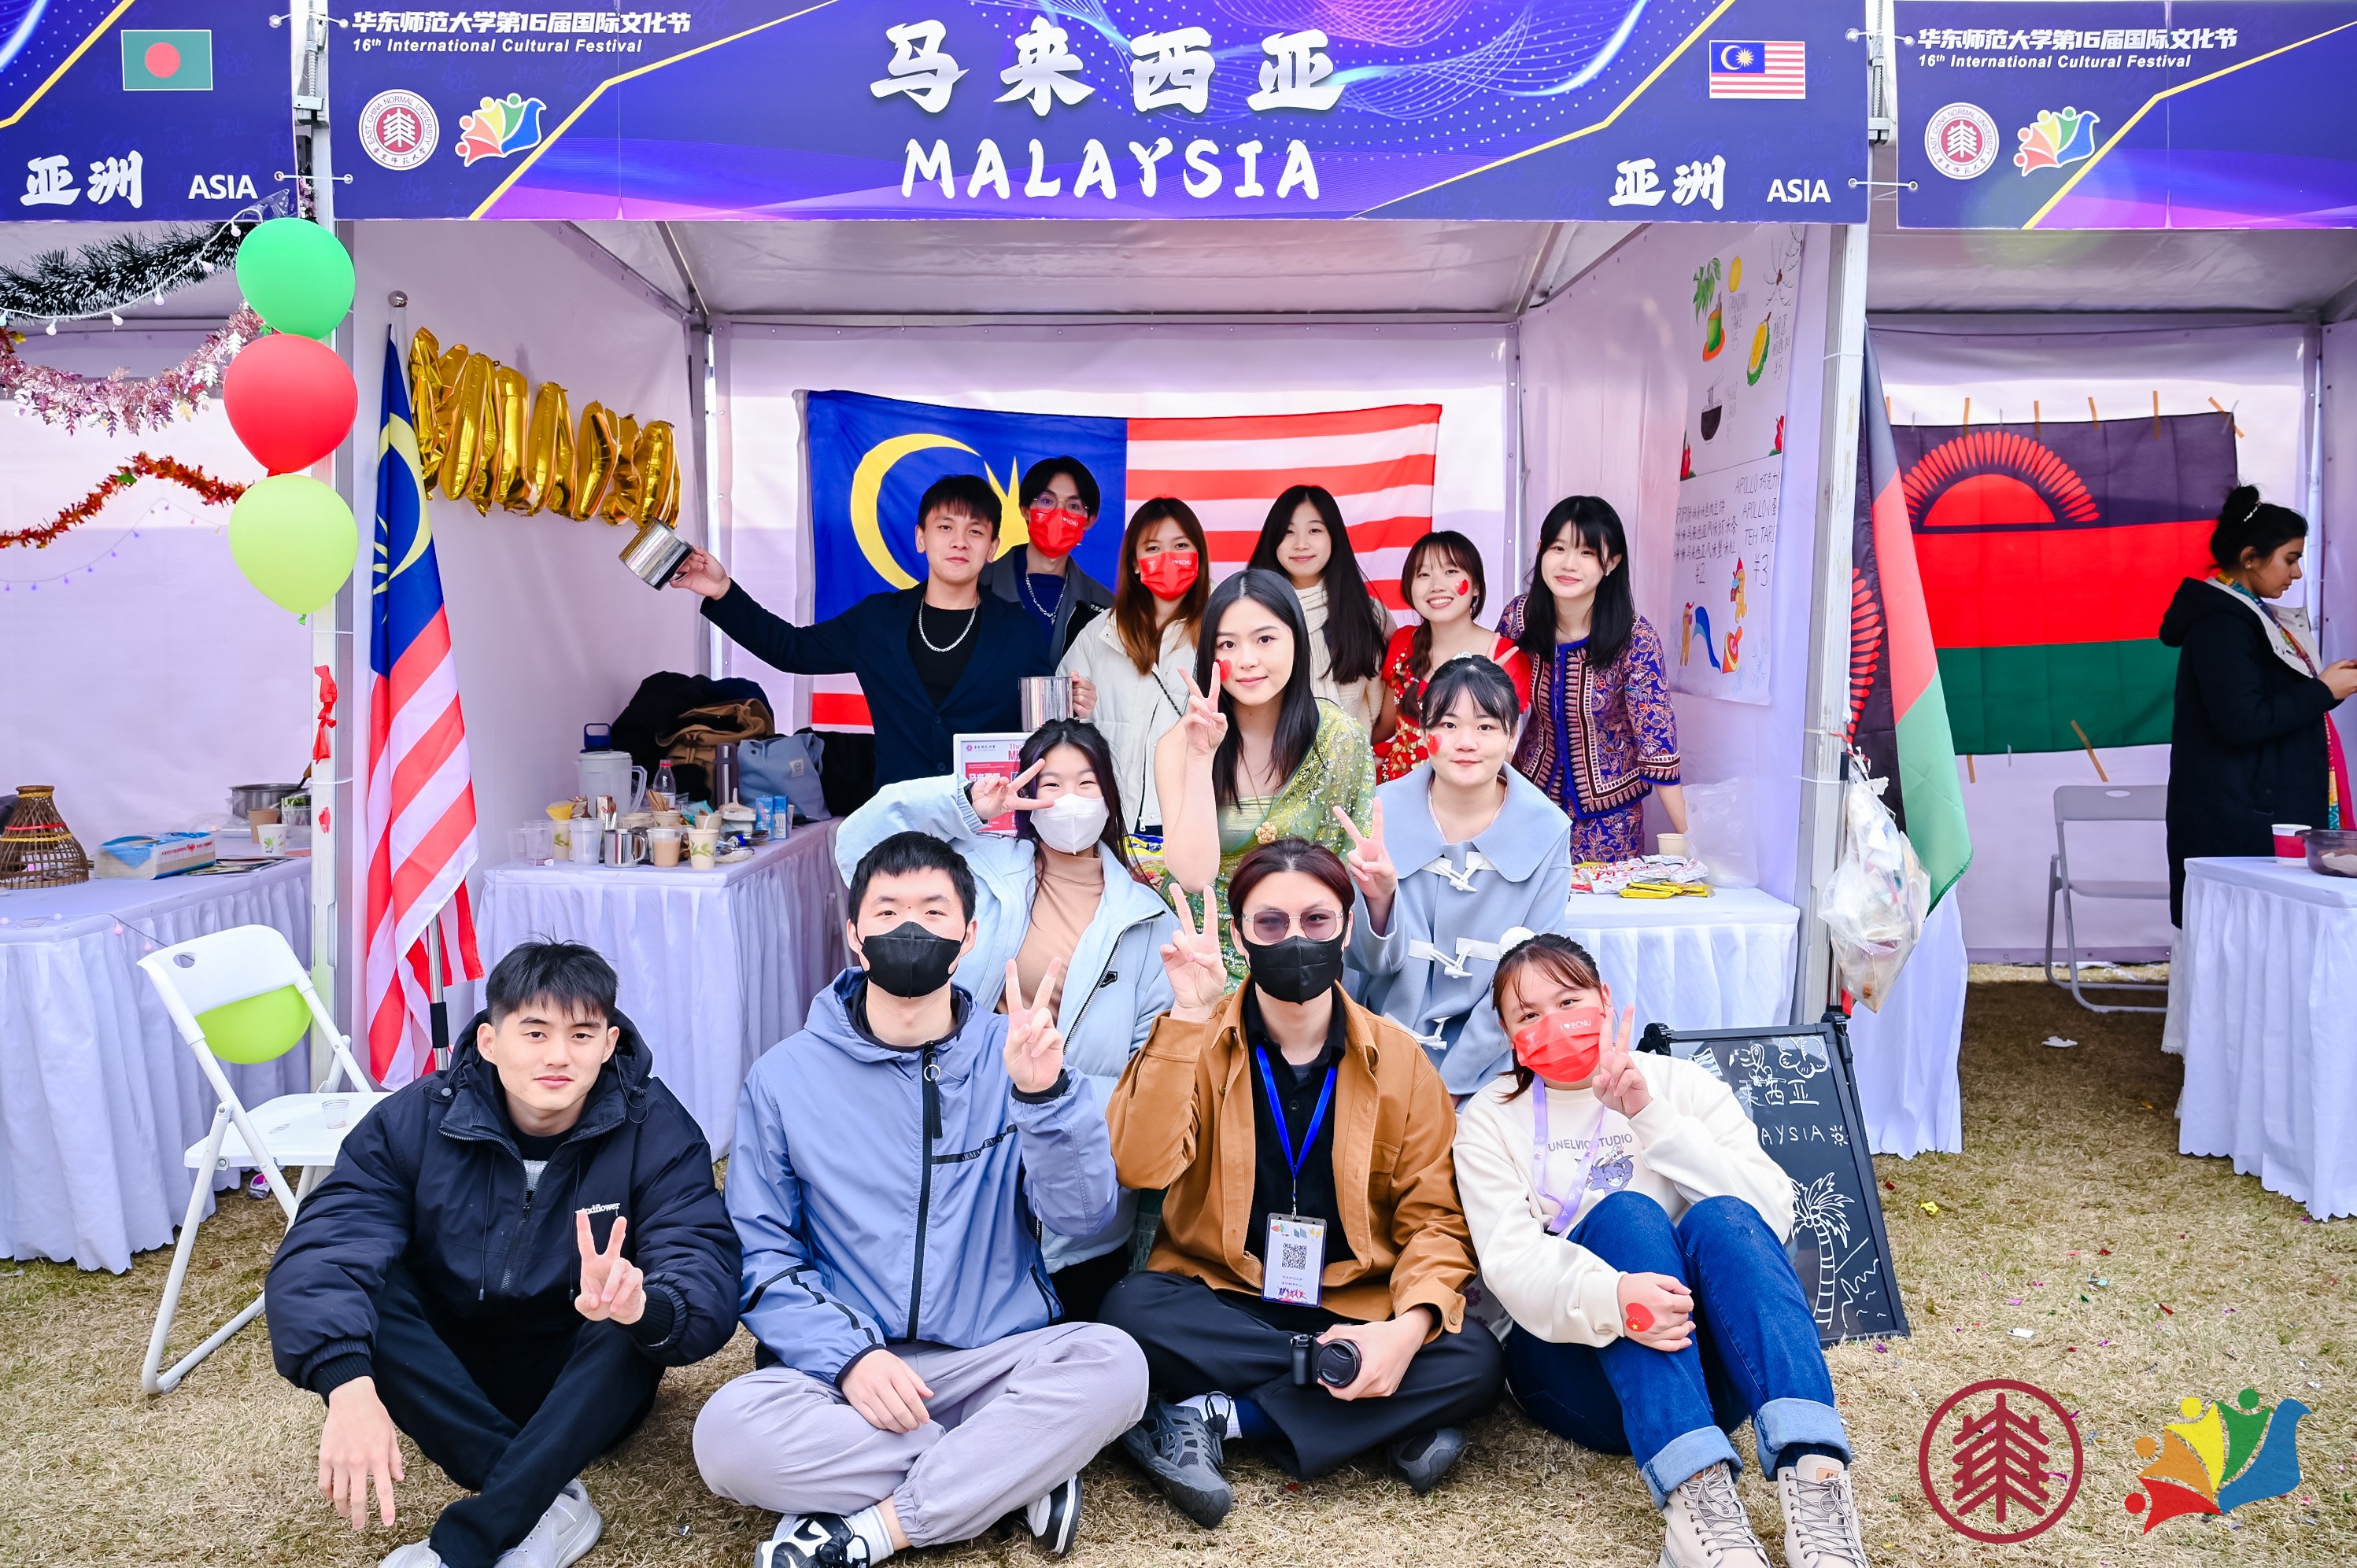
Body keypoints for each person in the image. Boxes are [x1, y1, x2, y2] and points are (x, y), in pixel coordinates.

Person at [694, 832, 1149, 1567]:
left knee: (1116, 1362)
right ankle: (1010, 1467)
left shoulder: (1016, 1052)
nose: (910, 928)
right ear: (854, 934)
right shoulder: (782, 1077)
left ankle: (874, 1528)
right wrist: (850, 1356)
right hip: (846, 1376)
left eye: (933, 911)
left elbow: (1081, 1216)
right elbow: (762, 1253)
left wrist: (1045, 1097)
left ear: (968, 936)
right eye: (888, 911)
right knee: (726, 1436)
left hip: (993, 1360)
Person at [266, 941, 740, 1568]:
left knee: (622, 1303)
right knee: (372, 1285)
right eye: (535, 1032)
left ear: (609, 1043)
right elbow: (327, 1243)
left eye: (581, 1034)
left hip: (584, 1382)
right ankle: (549, 1501)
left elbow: (700, 1257)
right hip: (453, 1377)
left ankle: (469, 1541)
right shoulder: (414, 1118)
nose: (557, 1055)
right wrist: (347, 1383)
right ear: (489, 1041)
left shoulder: (655, 1126)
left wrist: (643, 1305)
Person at [1099, 839, 1503, 1527]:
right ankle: (1379, 1409)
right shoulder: (1196, 1037)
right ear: (1239, 937)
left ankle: (1221, 1416)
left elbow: (1434, 1218)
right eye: (1270, 922)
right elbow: (1137, 1164)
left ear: (1345, 928)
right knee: (1128, 1314)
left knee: (1475, 1359)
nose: (1294, 939)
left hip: (1354, 1302)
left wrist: (1406, 1331)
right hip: (1223, 1296)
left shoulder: (1399, 1058)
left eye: (1315, 920)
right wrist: (1188, 1017)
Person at [1454, 932, 1869, 1568]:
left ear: (1603, 997)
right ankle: (1695, 1507)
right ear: (1507, 1033)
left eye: (1567, 1001)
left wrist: (1649, 1115)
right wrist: (1614, 1297)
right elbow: (1509, 1261)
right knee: (1627, 1215)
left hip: (1708, 1372)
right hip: (1576, 1373)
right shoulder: (1488, 1118)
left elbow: (1768, 1215)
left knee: (1724, 1215)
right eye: (1527, 1014)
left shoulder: (1681, 1085)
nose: (1552, 1023)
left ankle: (1816, 1485)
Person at [832, 718, 1177, 1320]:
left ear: (1110, 796)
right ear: (1026, 793)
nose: (1069, 800)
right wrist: (965, 804)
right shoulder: (978, 869)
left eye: (1086, 783)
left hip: (1070, 1175)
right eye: (1050, 784)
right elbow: (860, 848)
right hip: (955, 1141)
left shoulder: (1149, 919)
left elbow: (1144, 1084)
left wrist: (1051, 1095)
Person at [671, 473, 1073, 789]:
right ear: (921, 538)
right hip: (899, 821)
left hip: (990, 824)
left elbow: (1046, 729)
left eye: (975, 532)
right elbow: (791, 649)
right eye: (945, 527)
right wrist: (722, 591)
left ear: (993, 548)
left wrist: (1073, 703)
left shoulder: (1018, 630)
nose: (959, 543)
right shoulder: (879, 619)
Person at [1341, 656, 1572, 1094]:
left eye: (1486, 727)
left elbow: (1535, 979)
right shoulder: (1379, 815)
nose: (1466, 742)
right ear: (1423, 732)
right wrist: (1380, 900)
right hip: (1378, 1055)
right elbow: (1365, 966)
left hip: (1496, 1066)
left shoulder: (1546, 831)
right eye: (1448, 725)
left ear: (1512, 736)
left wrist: (1451, 1086)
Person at [1154, 568, 1376, 987]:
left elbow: (1349, 878)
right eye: (1227, 645)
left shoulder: (1339, 738)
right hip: (1202, 964)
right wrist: (1201, 756)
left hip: (1305, 961)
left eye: (1265, 639)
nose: (1246, 660)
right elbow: (1194, 878)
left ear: (1297, 640)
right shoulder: (1178, 745)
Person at [2158, 484, 2357, 922]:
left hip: (2252, 810)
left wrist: (2327, 686)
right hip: (2237, 821)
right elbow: (2241, 722)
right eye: (2291, 559)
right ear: (2250, 558)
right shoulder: (2222, 624)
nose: (2297, 574)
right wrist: (2323, 691)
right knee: (2242, 942)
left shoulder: (2248, 614)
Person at [1502, 495, 1685, 861]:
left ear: (1612, 562)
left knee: (1602, 899)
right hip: (1528, 801)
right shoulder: (1519, 619)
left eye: (1586, 552)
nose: (1568, 564)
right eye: (1558, 548)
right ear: (1540, 550)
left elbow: (1658, 744)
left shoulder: (1636, 639)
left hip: (1610, 820)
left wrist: (1692, 839)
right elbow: (1491, 704)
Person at [1055, 497, 1210, 834]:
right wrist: (1078, 709)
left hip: (1192, 823)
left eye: (1180, 545)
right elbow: (1057, 729)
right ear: (1135, 564)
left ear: (1199, 555)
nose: (1167, 557)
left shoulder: (1223, 631)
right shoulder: (1099, 633)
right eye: (1153, 548)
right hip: (1109, 822)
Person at [1375, 530, 1530, 783]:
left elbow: (1504, 753)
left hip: (1465, 798)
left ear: (1476, 585)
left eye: (1450, 571)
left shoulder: (1504, 656)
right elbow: (1385, 728)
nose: (1436, 585)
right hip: (1397, 792)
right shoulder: (1403, 642)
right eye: (1423, 574)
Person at [1249, 483, 1395, 736]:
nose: (1301, 544)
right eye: (1288, 532)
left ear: (1334, 537)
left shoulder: (1369, 614)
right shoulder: (1248, 611)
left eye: (1314, 530)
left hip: (1353, 756)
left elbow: (1389, 706)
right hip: (1267, 757)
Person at [979, 456, 1116, 660]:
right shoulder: (976, 587)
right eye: (1047, 501)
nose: (1059, 514)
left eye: (1073, 506)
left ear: (1089, 521)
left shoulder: (1106, 607)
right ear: (1026, 510)